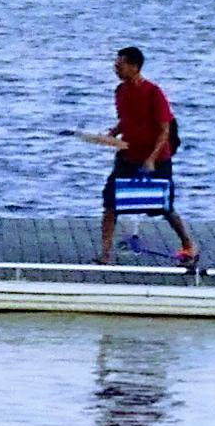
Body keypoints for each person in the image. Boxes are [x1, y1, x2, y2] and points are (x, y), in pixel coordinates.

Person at [82, 45, 197, 268]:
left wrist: (152, 158)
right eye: (115, 65)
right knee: (110, 203)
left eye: (120, 65)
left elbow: (165, 129)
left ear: (134, 67)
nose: (116, 68)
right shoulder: (120, 91)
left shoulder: (154, 92)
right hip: (128, 155)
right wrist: (112, 133)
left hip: (157, 157)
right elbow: (127, 120)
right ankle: (105, 254)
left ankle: (188, 244)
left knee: (163, 206)